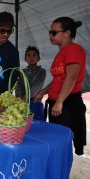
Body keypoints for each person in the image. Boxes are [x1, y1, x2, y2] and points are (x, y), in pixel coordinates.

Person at [34, 17, 86, 155]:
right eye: (50, 32)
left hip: (67, 105)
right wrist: (43, 92)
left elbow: (71, 77)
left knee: (62, 144)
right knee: (57, 142)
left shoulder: (74, 49)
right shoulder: (60, 54)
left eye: (54, 32)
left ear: (67, 33)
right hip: (58, 103)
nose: (50, 35)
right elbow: (59, 79)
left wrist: (59, 102)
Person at [15, 46, 46, 120]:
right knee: (21, 123)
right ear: (25, 59)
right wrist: (19, 97)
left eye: (34, 55)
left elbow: (37, 86)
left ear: (38, 58)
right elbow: (17, 86)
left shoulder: (42, 71)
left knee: (36, 124)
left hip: (35, 101)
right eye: (28, 55)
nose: (31, 57)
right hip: (21, 102)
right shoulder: (21, 72)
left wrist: (25, 98)